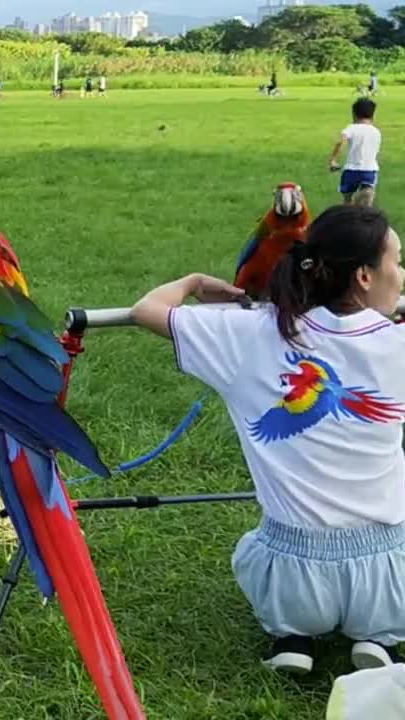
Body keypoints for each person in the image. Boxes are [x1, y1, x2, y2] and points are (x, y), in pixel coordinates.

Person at [131, 204, 405, 675]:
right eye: (397, 261)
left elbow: (146, 310)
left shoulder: (254, 332)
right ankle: (379, 638)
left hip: (292, 578)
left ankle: (293, 636)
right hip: (390, 579)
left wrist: (195, 282)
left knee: (272, 551)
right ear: (364, 276)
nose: (400, 274)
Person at [330, 98, 382, 207]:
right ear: (373, 115)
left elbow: (341, 142)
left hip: (351, 170)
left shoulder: (351, 128)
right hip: (370, 170)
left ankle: (348, 212)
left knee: (347, 199)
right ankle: (366, 195)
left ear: (354, 114)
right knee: (367, 196)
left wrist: (333, 160)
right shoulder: (376, 132)